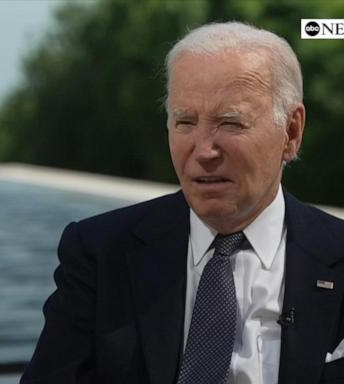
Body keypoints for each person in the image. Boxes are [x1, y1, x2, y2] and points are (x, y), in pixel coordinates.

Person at [20, 21, 344, 384]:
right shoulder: (99, 253)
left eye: (230, 123)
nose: (204, 150)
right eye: (185, 122)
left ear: (292, 132)